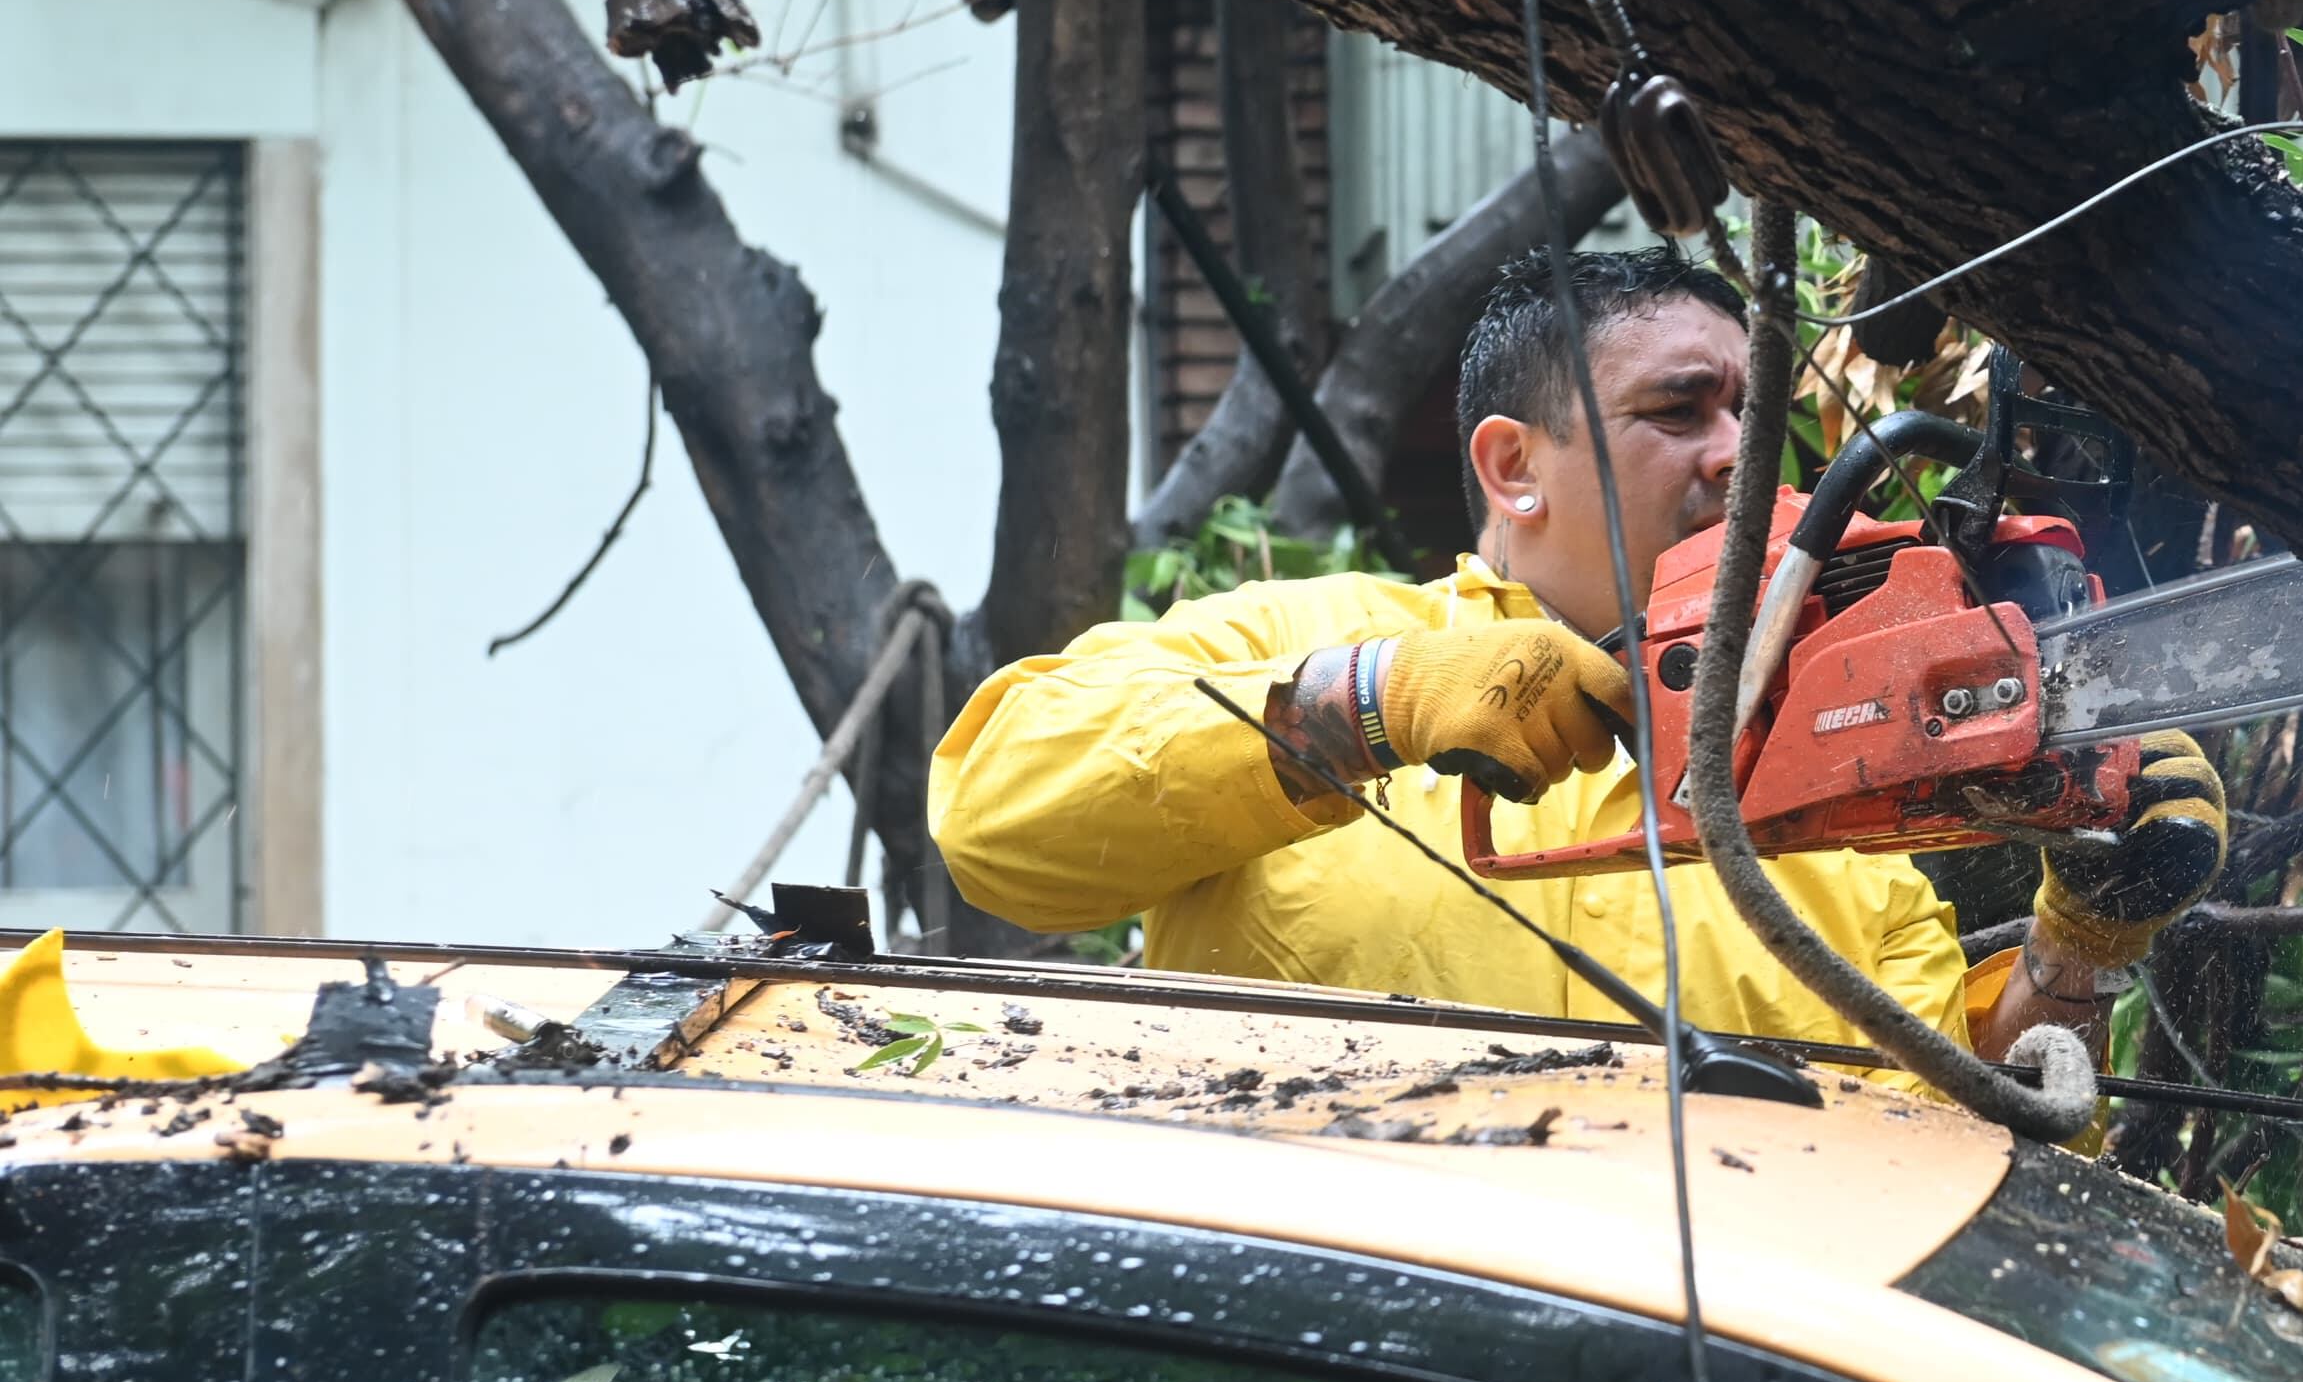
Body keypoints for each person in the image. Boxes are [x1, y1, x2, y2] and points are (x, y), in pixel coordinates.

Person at [932, 244, 2223, 1065]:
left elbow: (1962, 1153)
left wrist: (2076, 956)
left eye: (1752, 412)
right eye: (1678, 409)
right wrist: (1371, 703)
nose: (1738, 451)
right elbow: (996, 825)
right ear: (1514, 467)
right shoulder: (1297, 634)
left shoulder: (1818, 795)